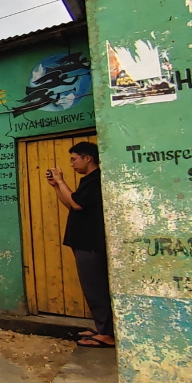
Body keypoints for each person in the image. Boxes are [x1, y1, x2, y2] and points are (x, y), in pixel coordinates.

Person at [48, 142, 114, 348]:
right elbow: (71, 204)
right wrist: (56, 186)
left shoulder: (96, 179)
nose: (72, 164)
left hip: (90, 243)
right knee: (92, 287)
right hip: (83, 242)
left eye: (74, 159)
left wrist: (62, 181)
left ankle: (107, 334)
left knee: (96, 288)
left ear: (88, 158)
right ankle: (102, 328)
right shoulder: (87, 181)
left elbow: (76, 203)